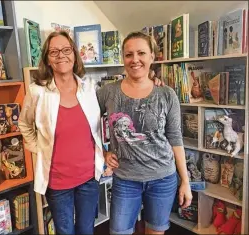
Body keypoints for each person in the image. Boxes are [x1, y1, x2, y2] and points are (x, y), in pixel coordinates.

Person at [18, 30, 163, 235]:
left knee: (87, 229)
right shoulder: (37, 91)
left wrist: (152, 81)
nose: (62, 55)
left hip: (88, 177)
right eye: (54, 52)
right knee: (65, 231)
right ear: (47, 59)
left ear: (75, 54)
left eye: (67, 50)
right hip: (57, 180)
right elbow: (24, 125)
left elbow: (117, 104)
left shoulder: (89, 88)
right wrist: (39, 148)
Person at [96, 31, 193, 235]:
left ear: (152, 56)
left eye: (141, 53)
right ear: (123, 58)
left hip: (163, 178)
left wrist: (185, 181)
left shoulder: (166, 94)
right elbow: (87, 124)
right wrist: (102, 153)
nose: (135, 59)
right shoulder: (108, 92)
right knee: (119, 231)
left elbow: (175, 138)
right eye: (129, 54)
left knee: (155, 232)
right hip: (125, 179)